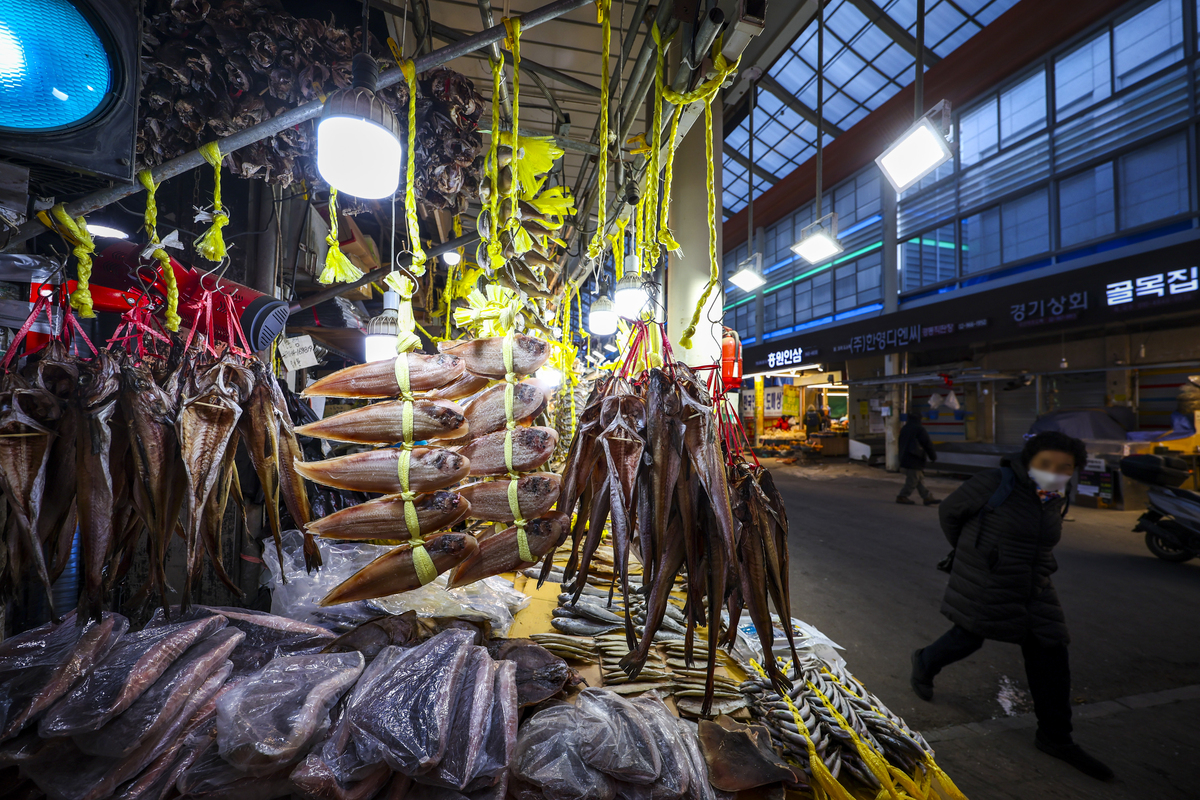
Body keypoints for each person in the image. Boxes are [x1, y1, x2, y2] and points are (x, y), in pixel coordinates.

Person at [910, 432, 1113, 782]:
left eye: (1065, 467)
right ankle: (925, 662)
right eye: (1047, 464)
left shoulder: (1052, 496)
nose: (1055, 471)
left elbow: (1042, 538)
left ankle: (1055, 737)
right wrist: (976, 555)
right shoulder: (993, 483)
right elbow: (950, 513)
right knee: (969, 636)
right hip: (991, 578)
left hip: (1036, 584)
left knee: (1051, 649)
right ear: (1030, 458)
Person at [897, 412, 939, 506]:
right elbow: (927, 444)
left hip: (904, 457)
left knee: (918, 478)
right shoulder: (919, 429)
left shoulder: (904, 428)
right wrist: (933, 456)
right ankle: (902, 496)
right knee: (913, 480)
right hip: (915, 459)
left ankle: (927, 497)